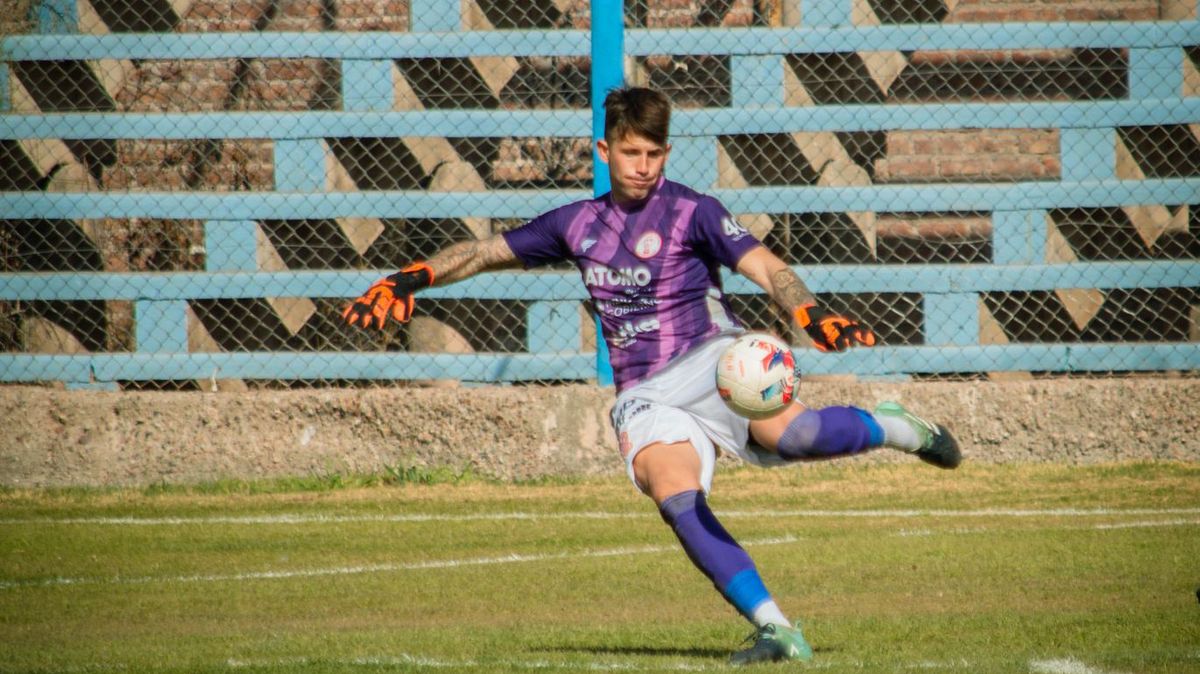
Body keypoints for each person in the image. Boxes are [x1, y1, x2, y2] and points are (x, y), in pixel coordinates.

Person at [342, 86, 961, 666]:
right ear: (604, 151)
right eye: (631, 153)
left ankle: (896, 428)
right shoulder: (574, 224)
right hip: (644, 393)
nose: (643, 166)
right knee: (673, 493)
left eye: (654, 153)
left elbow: (767, 267)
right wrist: (408, 278)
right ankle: (776, 627)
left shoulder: (694, 210)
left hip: (717, 363)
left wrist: (810, 309)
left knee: (798, 440)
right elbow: (480, 253)